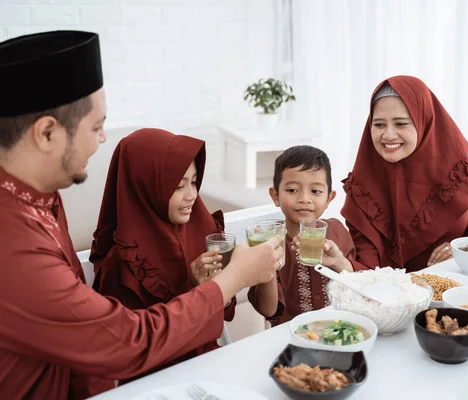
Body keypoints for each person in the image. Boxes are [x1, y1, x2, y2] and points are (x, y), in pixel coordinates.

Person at [0, 30, 282, 399]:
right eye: (97, 127)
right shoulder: (13, 244)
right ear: (47, 133)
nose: (102, 140)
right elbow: (125, 342)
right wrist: (232, 279)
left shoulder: (42, 197)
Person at [90, 128, 236, 387]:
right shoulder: (122, 265)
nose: (192, 194)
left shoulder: (200, 230)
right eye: (178, 186)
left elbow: (224, 314)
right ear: (145, 187)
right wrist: (195, 288)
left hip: (210, 370)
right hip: (156, 386)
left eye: (193, 181)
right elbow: (136, 351)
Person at [341, 76, 468, 272]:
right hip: (389, 293)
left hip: (454, 288)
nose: (388, 135)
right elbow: (366, 262)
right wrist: (342, 265)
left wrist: (462, 248)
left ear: (424, 121)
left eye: (401, 124)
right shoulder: (363, 184)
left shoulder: (461, 169)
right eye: (379, 125)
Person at [248, 145, 368, 326]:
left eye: (315, 191)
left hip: (341, 329)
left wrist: (339, 262)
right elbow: (268, 310)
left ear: (329, 198)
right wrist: (268, 264)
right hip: (290, 338)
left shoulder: (338, 232)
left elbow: (361, 289)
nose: (304, 199)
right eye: (292, 190)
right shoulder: (271, 243)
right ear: (275, 196)